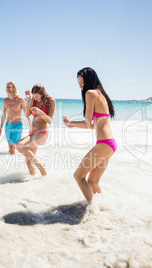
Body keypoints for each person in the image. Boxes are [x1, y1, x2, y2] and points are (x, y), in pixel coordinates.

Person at [63, 67, 117, 203]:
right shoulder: (101, 94)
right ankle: (104, 207)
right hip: (110, 144)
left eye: (82, 82)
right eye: (79, 84)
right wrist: (72, 124)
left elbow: (88, 123)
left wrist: (71, 123)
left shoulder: (90, 93)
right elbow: (95, 125)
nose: (81, 86)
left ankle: (93, 210)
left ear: (89, 80)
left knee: (78, 176)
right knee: (93, 182)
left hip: (104, 144)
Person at [16, 84, 55, 176]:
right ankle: (36, 182)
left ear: (42, 93)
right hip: (32, 132)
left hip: (42, 132)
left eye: (37, 96)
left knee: (19, 145)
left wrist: (40, 112)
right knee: (29, 161)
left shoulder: (50, 101)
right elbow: (27, 114)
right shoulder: (34, 100)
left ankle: (40, 166)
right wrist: (29, 99)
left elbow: (49, 120)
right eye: (34, 96)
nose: (36, 98)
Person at [0, 81, 30, 154]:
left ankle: (15, 159)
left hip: (17, 125)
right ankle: (12, 161)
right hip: (8, 125)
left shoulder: (20, 100)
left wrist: (30, 125)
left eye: (9, 87)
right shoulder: (5, 100)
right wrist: (0, 127)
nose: (7, 89)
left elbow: (26, 114)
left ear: (13, 88)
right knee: (10, 146)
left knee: (13, 146)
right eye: (7, 87)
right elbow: (4, 114)